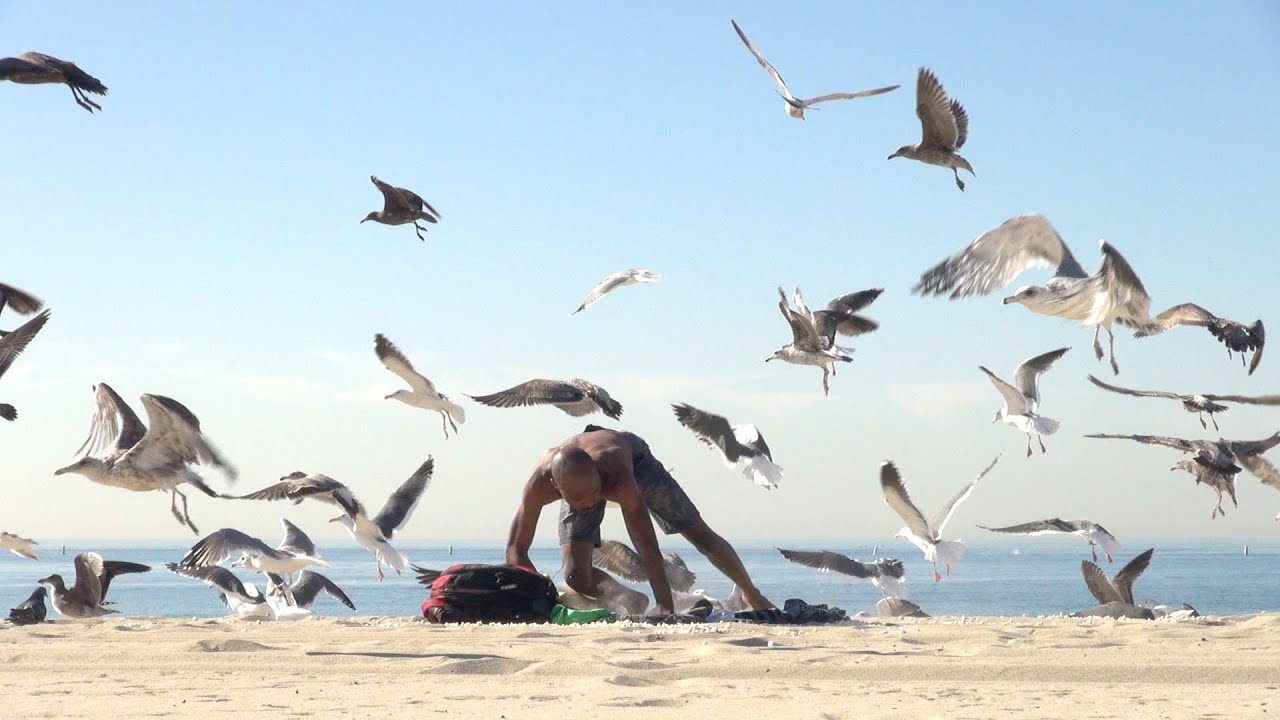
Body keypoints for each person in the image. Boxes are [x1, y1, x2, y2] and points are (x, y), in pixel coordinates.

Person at [505, 425, 773, 615]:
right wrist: (539, 590)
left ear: (599, 478)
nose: (590, 504)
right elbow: (516, 551)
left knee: (699, 535)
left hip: (635, 460)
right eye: (578, 501)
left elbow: (646, 544)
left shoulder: (618, 478)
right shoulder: (539, 483)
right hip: (579, 476)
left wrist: (665, 605)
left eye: (594, 495)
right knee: (575, 575)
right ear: (555, 486)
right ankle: (631, 599)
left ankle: (751, 592)